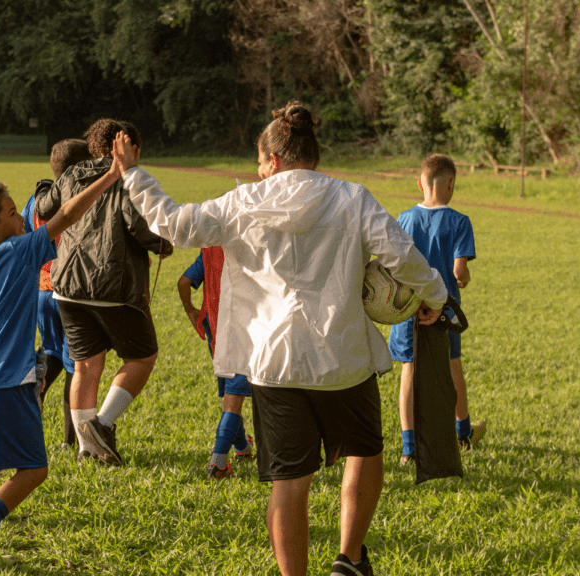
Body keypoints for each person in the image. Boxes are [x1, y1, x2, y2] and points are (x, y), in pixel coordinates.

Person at [114, 101, 448, 576]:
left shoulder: (242, 201)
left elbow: (173, 223)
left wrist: (134, 175)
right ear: (311, 154)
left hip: (273, 362)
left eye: (258, 160)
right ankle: (349, 559)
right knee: (365, 451)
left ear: (272, 159)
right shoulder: (352, 198)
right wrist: (435, 295)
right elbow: (402, 254)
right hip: (344, 356)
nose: (257, 169)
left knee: (288, 480)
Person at [0, 164, 120, 575]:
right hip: (8, 381)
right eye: (11, 213)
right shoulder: (16, 251)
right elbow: (66, 218)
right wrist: (113, 174)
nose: (22, 218)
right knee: (34, 469)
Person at [35, 119, 173, 466]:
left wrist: (43, 187)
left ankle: (87, 447)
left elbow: (44, 207)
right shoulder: (128, 178)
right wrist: (163, 244)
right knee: (142, 357)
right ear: (131, 148)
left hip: (66, 285)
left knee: (85, 366)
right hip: (111, 285)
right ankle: (103, 424)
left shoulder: (71, 174)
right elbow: (139, 225)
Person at [387, 154, 485, 466]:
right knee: (453, 367)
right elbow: (458, 272)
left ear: (420, 184)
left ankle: (409, 448)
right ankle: (463, 432)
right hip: (444, 311)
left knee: (409, 373)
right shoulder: (459, 221)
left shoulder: (404, 218)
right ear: (451, 184)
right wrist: (464, 277)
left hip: (408, 309)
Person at [22, 138, 93, 450]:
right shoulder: (84, 198)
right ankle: (70, 440)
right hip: (71, 290)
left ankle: (34, 389)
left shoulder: (33, 202)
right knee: (76, 365)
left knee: (50, 351)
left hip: (41, 288)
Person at [177, 247, 255, 479]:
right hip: (244, 326)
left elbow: (184, 282)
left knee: (232, 392)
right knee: (234, 399)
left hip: (215, 325)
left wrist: (190, 310)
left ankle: (241, 447)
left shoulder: (210, 247)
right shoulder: (250, 242)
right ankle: (217, 463)